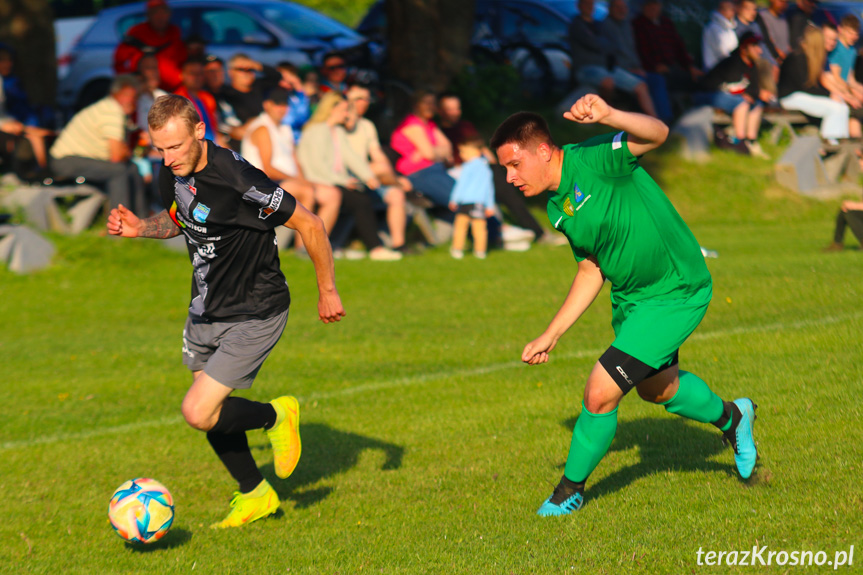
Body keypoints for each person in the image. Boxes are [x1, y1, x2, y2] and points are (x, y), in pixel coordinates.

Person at [490, 94, 758, 516]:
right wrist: (551, 334)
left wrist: (611, 115)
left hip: (676, 290)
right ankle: (733, 418)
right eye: (504, 168)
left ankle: (568, 492)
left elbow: (659, 134)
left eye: (514, 164)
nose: (509, 177)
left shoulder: (597, 158)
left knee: (600, 393)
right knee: (658, 389)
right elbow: (590, 269)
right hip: (632, 301)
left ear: (543, 151)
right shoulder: (557, 207)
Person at [106, 94, 346, 528]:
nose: (168, 158)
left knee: (198, 412)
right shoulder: (171, 171)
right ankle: (255, 493)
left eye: (176, 146)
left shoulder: (239, 178)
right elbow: (183, 218)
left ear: (200, 131)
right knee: (213, 415)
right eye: (160, 149)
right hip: (205, 306)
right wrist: (142, 227)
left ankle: (277, 414)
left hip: (255, 308)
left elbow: (310, 222)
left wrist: (326, 290)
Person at [437, 92, 565, 246]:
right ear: (440, 111)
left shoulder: (465, 126)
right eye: (450, 109)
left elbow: (481, 148)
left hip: (482, 167)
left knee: (506, 186)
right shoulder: (438, 131)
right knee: (500, 189)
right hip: (463, 172)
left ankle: (534, 231)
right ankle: (522, 233)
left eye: (457, 108)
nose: (455, 112)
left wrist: (491, 162)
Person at [297, 91, 403, 261]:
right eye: (344, 110)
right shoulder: (316, 131)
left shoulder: (336, 132)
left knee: (361, 197)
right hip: (320, 181)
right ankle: (375, 248)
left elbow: (350, 157)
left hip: (335, 181)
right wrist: (345, 181)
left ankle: (368, 247)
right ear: (331, 109)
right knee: (360, 201)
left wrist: (369, 177)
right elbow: (316, 166)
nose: (347, 115)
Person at [241, 87, 341, 251]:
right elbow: (268, 168)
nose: (282, 108)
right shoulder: (262, 128)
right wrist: (301, 181)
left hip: (286, 181)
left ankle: (320, 243)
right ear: (267, 105)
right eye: (277, 104)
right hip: (261, 184)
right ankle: (304, 247)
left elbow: (296, 162)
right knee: (307, 191)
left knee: (332, 194)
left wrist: (303, 179)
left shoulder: (285, 129)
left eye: (285, 104)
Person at [49, 74, 148, 215]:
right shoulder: (111, 111)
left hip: (75, 158)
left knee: (132, 168)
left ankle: (141, 222)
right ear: (115, 94)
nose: (131, 100)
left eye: (133, 96)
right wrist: (126, 151)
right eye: (126, 95)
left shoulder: (110, 108)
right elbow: (116, 156)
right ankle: (119, 228)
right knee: (118, 171)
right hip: (66, 161)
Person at [343, 84, 409, 251]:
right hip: (346, 177)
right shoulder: (339, 125)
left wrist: (392, 177)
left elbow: (378, 154)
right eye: (358, 99)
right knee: (380, 170)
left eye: (366, 99)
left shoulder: (367, 125)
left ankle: (398, 244)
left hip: (368, 177)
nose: (364, 103)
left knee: (396, 194)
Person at [568, 0, 657, 117]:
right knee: (607, 83)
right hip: (586, 68)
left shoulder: (599, 25)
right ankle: (607, 113)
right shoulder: (577, 25)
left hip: (607, 68)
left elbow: (612, 45)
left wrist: (602, 44)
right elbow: (594, 43)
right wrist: (602, 43)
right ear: (579, 6)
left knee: (641, 85)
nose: (589, 7)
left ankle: (656, 121)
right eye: (586, 4)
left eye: (591, 4)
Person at [694, 32, 769, 157]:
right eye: (754, 46)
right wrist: (751, 93)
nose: (759, 50)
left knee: (757, 105)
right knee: (742, 103)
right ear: (744, 48)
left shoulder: (752, 66)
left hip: (727, 97)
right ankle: (740, 143)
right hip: (706, 95)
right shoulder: (732, 62)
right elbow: (731, 88)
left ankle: (751, 141)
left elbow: (752, 89)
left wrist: (757, 94)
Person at [778, 25, 851, 141]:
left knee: (843, 107)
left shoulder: (808, 58)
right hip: (790, 97)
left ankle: (840, 143)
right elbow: (805, 87)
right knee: (834, 108)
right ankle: (828, 143)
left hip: (801, 95)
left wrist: (832, 95)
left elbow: (813, 87)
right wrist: (829, 95)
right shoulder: (797, 58)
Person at [390, 91, 454, 208]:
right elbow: (429, 154)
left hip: (435, 169)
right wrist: (437, 152)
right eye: (426, 103)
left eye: (433, 103)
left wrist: (431, 151)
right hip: (417, 173)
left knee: (468, 194)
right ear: (416, 105)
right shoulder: (411, 124)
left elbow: (448, 148)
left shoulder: (429, 124)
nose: (430, 106)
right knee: (459, 199)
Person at [113, 0, 187, 92]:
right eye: (155, 13)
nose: (160, 17)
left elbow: (182, 59)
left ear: (169, 14)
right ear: (148, 15)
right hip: (144, 90)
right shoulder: (137, 32)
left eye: (163, 12)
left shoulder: (174, 32)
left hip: (173, 90)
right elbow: (119, 62)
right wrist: (131, 81)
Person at [448, 136, 494, 259]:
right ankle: (480, 251)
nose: (462, 155)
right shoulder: (486, 168)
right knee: (479, 228)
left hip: (465, 202)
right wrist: (490, 205)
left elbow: (461, 185)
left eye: (464, 151)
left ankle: (457, 249)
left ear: (477, 152)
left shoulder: (467, 167)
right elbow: (489, 189)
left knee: (460, 227)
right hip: (479, 203)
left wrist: (454, 199)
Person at [174, 57, 224, 147]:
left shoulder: (208, 98)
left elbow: (215, 129)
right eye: (192, 73)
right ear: (182, 75)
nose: (196, 77)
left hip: (213, 147)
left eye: (200, 73)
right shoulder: (176, 100)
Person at [276, 61, 312, 143]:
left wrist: (298, 86)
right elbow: (288, 121)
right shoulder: (272, 97)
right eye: (282, 78)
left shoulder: (295, 96)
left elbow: (304, 116)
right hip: (282, 141)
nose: (286, 82)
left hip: (297, 141)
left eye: (289, 78)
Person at [702, 0, 739, 71]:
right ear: (721, 10)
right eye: (730, 9)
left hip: (728, 71)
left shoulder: (730, 28)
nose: (733, 12)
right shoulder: (713, 28)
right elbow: (723, 54)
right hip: (716, 73)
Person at [757, 0, 791, 65]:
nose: (784, 5)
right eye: (781, 1)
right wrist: (780, 56)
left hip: (785, 61)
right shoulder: (764, 17)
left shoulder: (783, 17)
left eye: (786, 2)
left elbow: (787, 44)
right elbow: (769, 41)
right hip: (773, 61)